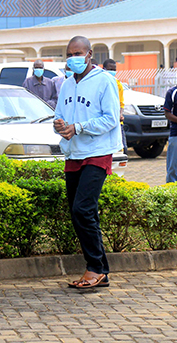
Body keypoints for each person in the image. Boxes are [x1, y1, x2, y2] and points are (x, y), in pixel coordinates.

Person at [54, 36, 121, 289]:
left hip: (98, 152)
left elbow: (111, 119)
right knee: (81, 212)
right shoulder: (67, 84)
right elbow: (60, 115)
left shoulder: (105, 81)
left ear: (90, 54)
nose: (74, 58)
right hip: (73, 153)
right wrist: (59, 125)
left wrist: (78, 127)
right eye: (70, 54)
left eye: (78, 53)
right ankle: (100, 270)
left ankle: (95, 268)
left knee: (82, 209)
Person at [102, 59, 127, 154]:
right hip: (104, 122)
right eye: (110, 69)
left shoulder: (118, 84)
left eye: (114, 69)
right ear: (104, 69)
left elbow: (121, 103)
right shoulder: (99, 83)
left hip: (116, 122)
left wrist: (120, 114)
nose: (112, 71)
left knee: (121, 149)